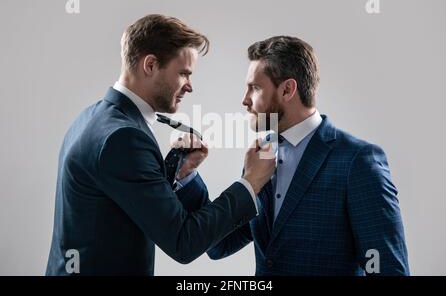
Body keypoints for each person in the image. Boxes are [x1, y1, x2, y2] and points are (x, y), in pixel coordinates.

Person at [46, 14, 275, 276]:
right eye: (184, 74)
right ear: (151, 65)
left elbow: (127, 201)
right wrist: (251, 183)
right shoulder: (124, 138)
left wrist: (178, 173)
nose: (190, 87)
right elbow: (183, 242)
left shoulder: (91, 117)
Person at [207, 36, 410, 276]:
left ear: (287, 90)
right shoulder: (261, 156)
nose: (244, 99)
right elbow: (218, 246)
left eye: (255, 87)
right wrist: (188, 178)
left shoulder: (358, 161)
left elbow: (389, 270)